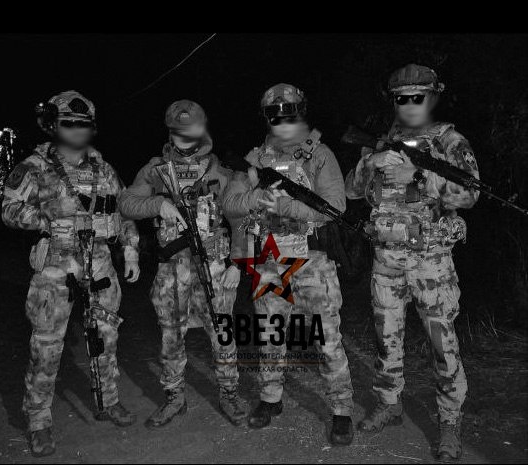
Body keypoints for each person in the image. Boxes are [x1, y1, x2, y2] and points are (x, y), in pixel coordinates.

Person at [345, 64, 479, 461]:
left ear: (432, 97)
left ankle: (450, 421)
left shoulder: (450, 140)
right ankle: (389, 403)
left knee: (442, 344)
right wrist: (372, 164)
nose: (408, 104)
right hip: (386, 258)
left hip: (431, 263)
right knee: (386, 338)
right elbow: (352, 190)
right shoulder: (383, 140)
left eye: (417, 96)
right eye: (401, 98)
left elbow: (470, 193)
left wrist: (419, 174)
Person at [2, 90, 140, 457]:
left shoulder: (102, 168)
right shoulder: (35, 166)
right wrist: (45, 219)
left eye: (84, 124)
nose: (77, 130)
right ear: (53, 126)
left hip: (99, 261)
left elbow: (124, 210)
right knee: (47, 346)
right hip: (56, 264)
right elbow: (9, 210)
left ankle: (109, 399)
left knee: (106, 336)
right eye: (69, 124)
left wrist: (130, 248)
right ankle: (38, 421)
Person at [222, 83, 355, 445]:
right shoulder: (255, 159)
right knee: (270, 334)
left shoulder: (319, 154)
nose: (282, 121)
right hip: (270, 258)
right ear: (265, 118)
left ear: (301, 113)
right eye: (274, 115)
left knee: (327, 337)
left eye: (289, 114)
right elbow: (229, 203)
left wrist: (283, 205)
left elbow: (334, 208)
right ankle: (270, 398)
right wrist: (257, 197)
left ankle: (341, 409)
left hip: (312, 259)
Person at [118, 100, 248, 428]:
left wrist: (238, 263)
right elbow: (126, 203)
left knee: (222, 333)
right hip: (171, 269)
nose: (185, 138)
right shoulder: (156, 170)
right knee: (171, 336)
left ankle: (229, 393)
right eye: (178, 132)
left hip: (214, 268)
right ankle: (174, 397)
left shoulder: (222, 171)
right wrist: (157, 204)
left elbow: (241, 220)